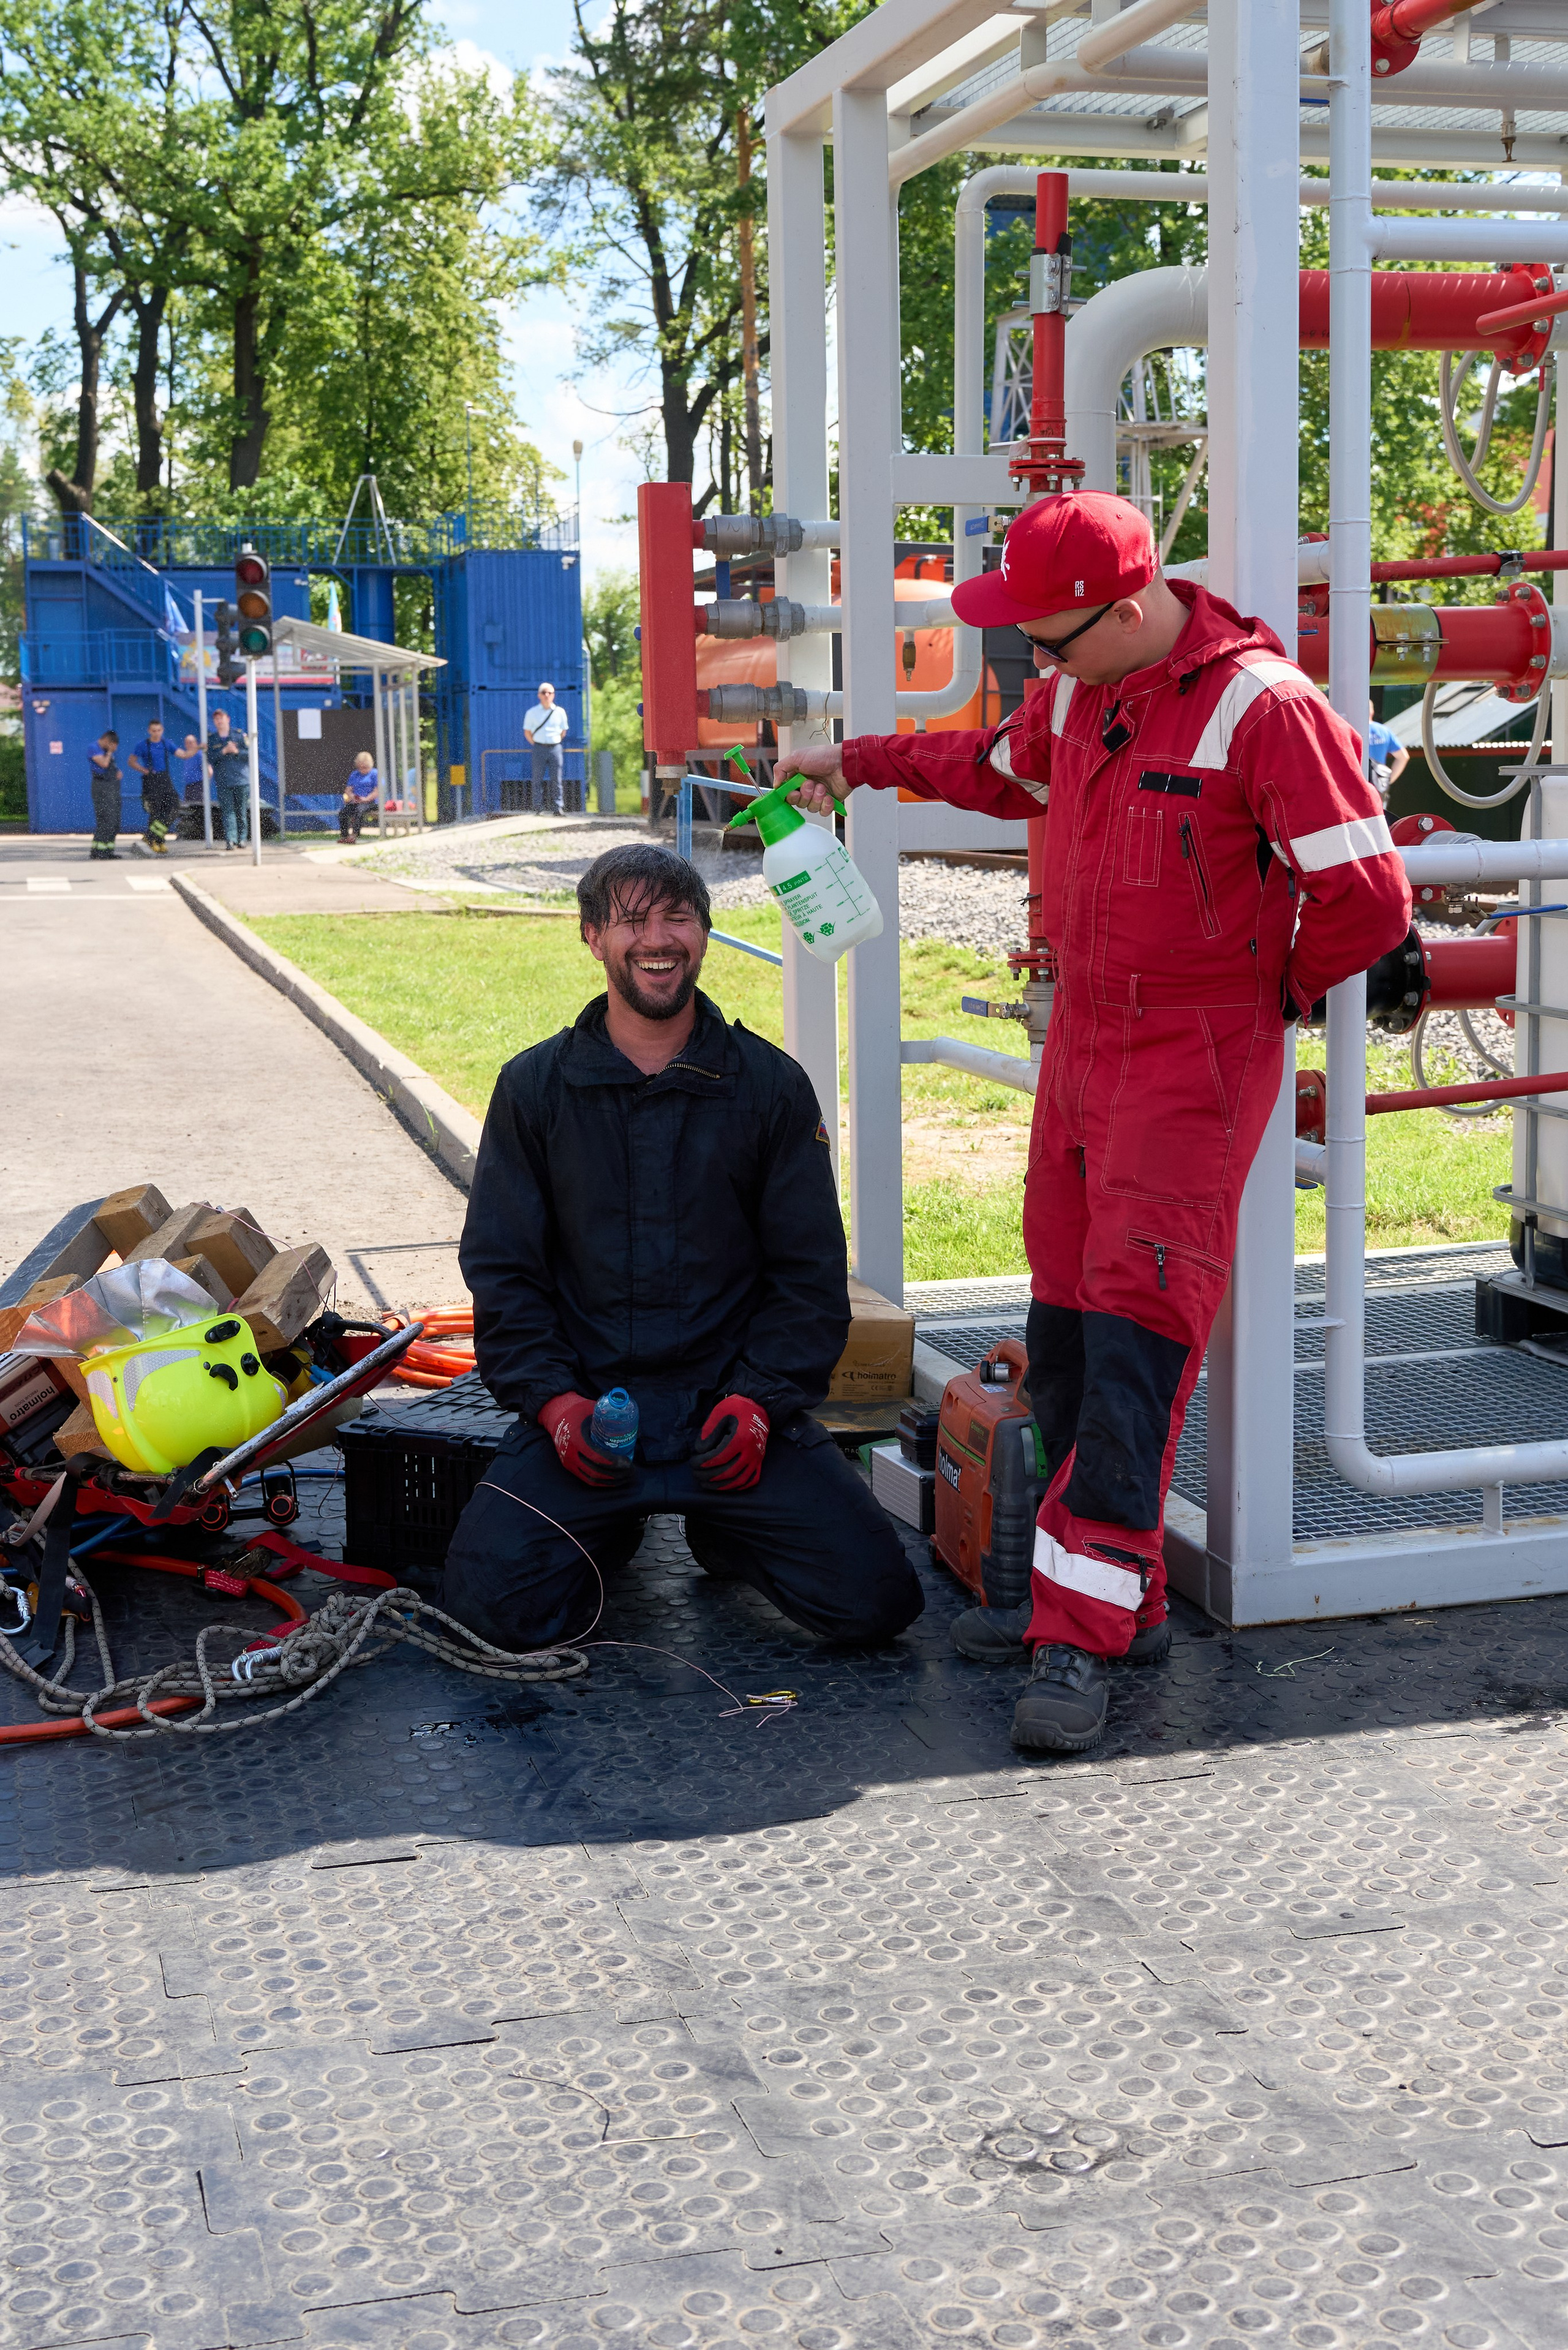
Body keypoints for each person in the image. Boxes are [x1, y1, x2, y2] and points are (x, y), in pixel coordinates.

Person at [778, 491, 1413, 1755]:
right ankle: (1124, 1599)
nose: (1032, 661)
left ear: (1124, 611)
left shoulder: (1264, 709)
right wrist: (858, 761)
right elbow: (997, 768)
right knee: (1064, 1326)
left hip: (1190, 1057)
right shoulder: (1081, 690)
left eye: (1044, 639)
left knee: (1134, 1345)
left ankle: (1078, 1634)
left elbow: (1366, 897)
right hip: (1083, 1043)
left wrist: (1269, 996)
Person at [440, 842, 925, 1655]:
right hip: (589, 1418)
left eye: (677, 917)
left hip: (729, 1422)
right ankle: (610, 1526)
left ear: (704, 933)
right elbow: (504, 1271)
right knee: (489, 1614)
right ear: (592, 937)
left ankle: (727, 1529)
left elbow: (807, 1276)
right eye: (632, 920)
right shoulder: (534, 1090)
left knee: (876, 1603)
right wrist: (556, 1407)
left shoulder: (770, 1087)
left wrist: (760, 1402)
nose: (657, 939)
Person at [128, 718, 182, 854]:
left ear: (162, 730)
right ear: (149, 731)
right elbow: (132, 761)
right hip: (152, 782)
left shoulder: (166, 744)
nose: (157, 733)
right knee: (156, 812)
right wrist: (145, 771)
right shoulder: (143, 745)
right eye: (154, 731)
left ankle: (151, 836)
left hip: (165, 780)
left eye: (159, 730)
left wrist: (197, 749)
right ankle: (157, 841)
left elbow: (184, 754)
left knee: (173, 808)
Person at [524, 680, 568, 816]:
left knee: (557, 779)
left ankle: (558, 808)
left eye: (550, 693)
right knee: (537, 779)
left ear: (554, 695)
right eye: (544, 693)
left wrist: (554, 742)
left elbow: (563, 731)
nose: (547, 695)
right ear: (539, 695)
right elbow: (527, 732)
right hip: (539, 748)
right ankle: (538, 808)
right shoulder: (532, 713)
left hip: (555, 748)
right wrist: (537, 743)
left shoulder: (560, 712)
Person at [207, 709, 250, 849]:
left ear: (228, 719)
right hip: (224, 781)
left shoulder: (239, 735)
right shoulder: (212, 739)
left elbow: (249, 754)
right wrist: (224, 751)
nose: (219, 721)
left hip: (241, 779)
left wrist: (236, 751)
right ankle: (231, 839)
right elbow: (210, 758)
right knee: (228, 811)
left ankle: (242, 839)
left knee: (241, 810)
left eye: (221, 718)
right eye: (216, 719)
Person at [1366, 701, 1410, 806]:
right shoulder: (1384, 731)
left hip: (1357, 784)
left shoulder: (1352, 729)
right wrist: (1387, 781)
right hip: (1378, 786)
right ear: (1372, 711)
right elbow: (1403, 757)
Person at [88, 730, 121, 861]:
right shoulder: (94, 748)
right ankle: (98, 851)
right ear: (108, 741)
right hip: (101, 788)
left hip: (112, 788)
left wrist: (117, 772)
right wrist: (110, 752)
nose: (114, 750)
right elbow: (104, 764)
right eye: (113, 746)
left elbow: (111, 767)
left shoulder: (106, 752)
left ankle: (108, 850)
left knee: (115, 821)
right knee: (106, 819)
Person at [339, 751, 379, 843]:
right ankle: (345, 836)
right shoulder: (355, 774)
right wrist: (352, 796)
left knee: (359, 811)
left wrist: (366, 799)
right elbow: (348, 790)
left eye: (365, 767)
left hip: (371, 802)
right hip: (356, 801)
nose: (362, 770)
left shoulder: (375, 774)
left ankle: (354, 835)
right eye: (361, 767)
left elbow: (377, 791)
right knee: (343, 812)